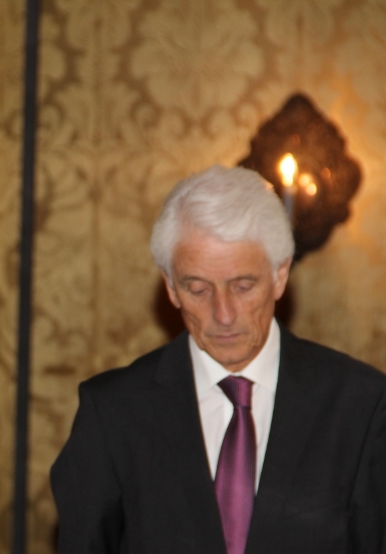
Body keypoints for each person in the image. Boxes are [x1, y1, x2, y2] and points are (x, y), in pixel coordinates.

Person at [51, 165, 386, 553]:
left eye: (242, 286)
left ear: (280, 275)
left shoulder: (361, 406)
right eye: (198, 290)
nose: (223, 314)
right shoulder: (112, 413)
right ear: (170, 286)